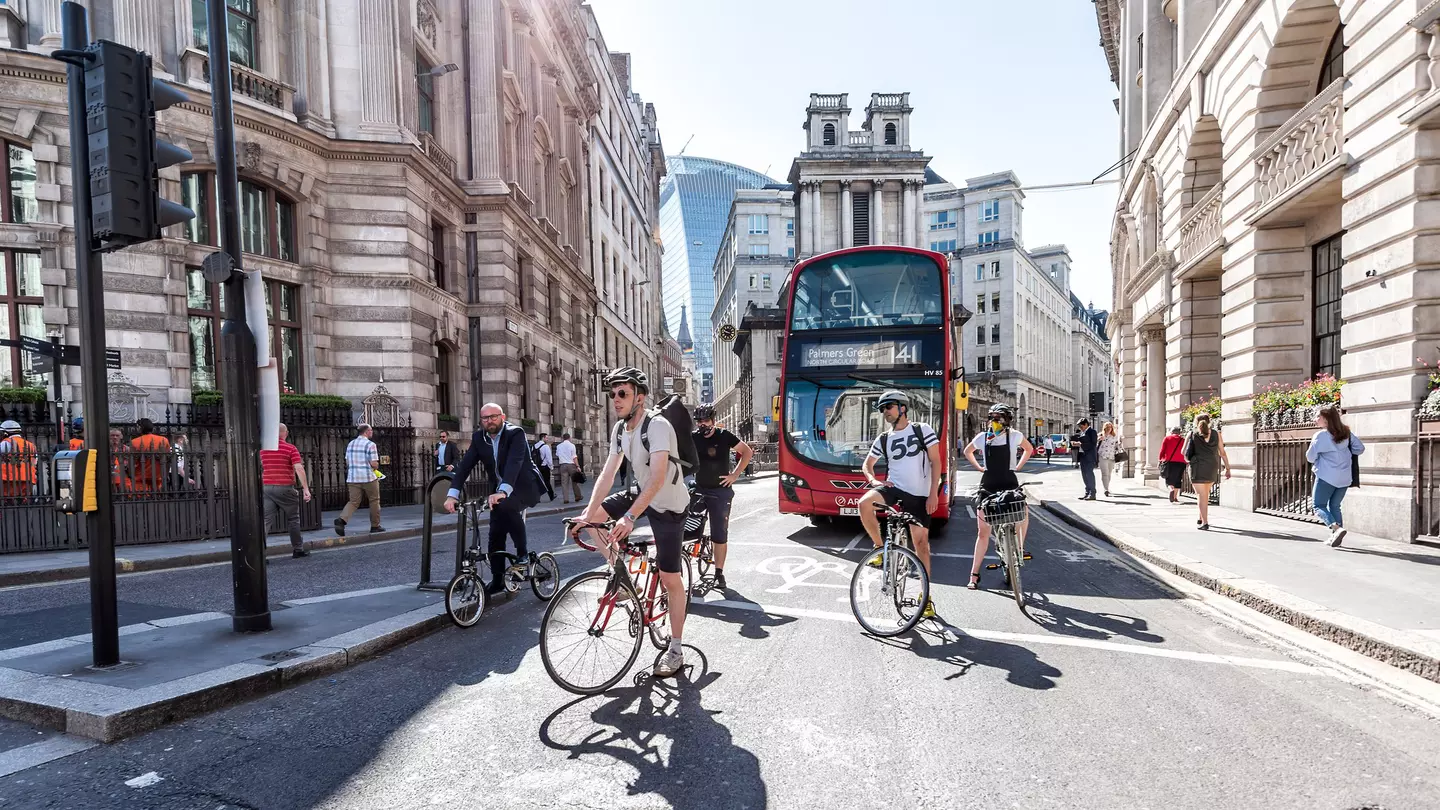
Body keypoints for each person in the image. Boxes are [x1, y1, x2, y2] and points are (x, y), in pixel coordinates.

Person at [573, 367, 692, 678]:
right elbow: (608, 473)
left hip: (668, 504)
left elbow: (658, 477)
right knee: (594, 521)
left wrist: (629, 517)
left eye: (622, 393)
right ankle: (627, 580)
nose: (615, 399)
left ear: (640, 397)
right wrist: (587, 512)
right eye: (612, 394)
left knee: (670, 579)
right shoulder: (619, 430)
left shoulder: (658, 426)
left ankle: (676, 648)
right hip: (643, 493)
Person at [444, 402, 547, 595]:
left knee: (508, 506)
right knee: (495, 534)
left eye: (494, 416)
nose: (490, 421)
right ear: (481, 421)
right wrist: (452, 494)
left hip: (523, 486)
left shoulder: (515, 434)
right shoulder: (479, 438)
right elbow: (465, 466)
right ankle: (498, 579)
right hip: (497, 493)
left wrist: (504, 490)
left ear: (503, 417)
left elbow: (514, 463)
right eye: (485, 418)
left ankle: (522, 555)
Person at [858, 390, 942, 619]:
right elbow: (868, 464)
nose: (885, 411)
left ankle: (925, 597)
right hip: (894, 489)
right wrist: (873, 480)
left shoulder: (922, 430)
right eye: (882, 408)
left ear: (902, 408)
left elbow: (936, 461)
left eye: (889, 407)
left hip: (919, 495)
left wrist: (933, 493)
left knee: (921, 543)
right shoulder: (884, 438)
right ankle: (879, 548)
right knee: (864, 503)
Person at [963, 404, 1035, 590]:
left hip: (1009, 482)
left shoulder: (1015, 436)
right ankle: (974, 574)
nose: (995, 421)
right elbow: (967, 451)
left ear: (1007, 419)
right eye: (993, 417)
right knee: (983, 531)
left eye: (999, 417)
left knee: (1024, 513)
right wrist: (979, 468)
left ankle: (1018, 549)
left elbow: (1029, 449)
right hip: (989, 484)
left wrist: (1018, 466)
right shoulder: (983, 437)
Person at [691, 403, 754, 592]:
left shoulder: (724, 435)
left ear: (713, 420)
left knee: (719, 534)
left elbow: (747, 452)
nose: (702, 424)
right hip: (700, 489)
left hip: (720, 492)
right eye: (699, 421)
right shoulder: (693, 438)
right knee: (686, 527)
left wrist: (734, 475)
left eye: (706, 420)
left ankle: (719, 572)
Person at [1306, 405, 1365, 547]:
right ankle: (1335, 537)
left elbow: (1310, 457)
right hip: (1344, 477)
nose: (1316, 419)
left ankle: (1336, 529)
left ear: (1326, 419)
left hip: (1326, 475)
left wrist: (1323, 455)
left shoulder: (1320, 435)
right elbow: (1360, 448)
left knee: (1318, 505)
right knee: (1335, 505)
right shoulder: (1346, 432)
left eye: (1318, 416)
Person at [260, 423, 313, 558]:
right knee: (293, 519)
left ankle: (260, 554)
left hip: (266, 487)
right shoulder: (290, 448)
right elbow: (299, 468)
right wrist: (306, 489)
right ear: (285, 433)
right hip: (285, 487)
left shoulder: (263, 450)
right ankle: (298, 549)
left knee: (265, 520)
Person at [335, 423, 383, 535]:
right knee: (374, 501)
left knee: (353, 502)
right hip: (368, 477)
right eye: (371, 430)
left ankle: (342, 520)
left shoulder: (351, 444)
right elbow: (374, 463)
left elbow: (347, 461)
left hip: (353, 478)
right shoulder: (371, 445)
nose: (372, 432)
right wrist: (376, 466)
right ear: (366, 432)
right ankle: (375, 526)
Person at [1185, 413, 1230, 530]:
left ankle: (1205, 522)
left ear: (1196, 422)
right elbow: (1222, 452)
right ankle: (1200, 517)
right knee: (1205, 493)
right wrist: (1227, 468)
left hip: (1197, 467)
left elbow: (1183, 452)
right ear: (1209, 421)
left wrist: (1190, 459)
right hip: (1212, 466)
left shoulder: (1192, 434)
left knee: (1200, 494)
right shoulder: (1216, 434)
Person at [128, 418, 172, 494]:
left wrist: (130, 475)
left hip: (141, 477)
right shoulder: (163, 440)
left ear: (140, 428)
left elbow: (132, 462)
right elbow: (167, 459)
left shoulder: (134, 442)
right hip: (158, 476)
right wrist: (166, 474)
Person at [0, 420, 36, 500]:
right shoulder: (30, 445)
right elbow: (35, 461)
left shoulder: (5, 443)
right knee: (23, 503)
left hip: (9, 479)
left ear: (6, 433)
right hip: (28, 478)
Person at [1159, 426, 1187, 502]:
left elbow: (1162, 450)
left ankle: (1171, 489)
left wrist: (1160, 459)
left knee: (1169, 479)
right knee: (1178, 478)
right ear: (1180, 433)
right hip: (1181, 462)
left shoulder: (1167, 438)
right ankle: (1175, 497)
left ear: (1171, 432)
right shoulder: (1183, 440)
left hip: (1169, 461)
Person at [555, 432, 582, 503]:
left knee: (564, 483)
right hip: (571, 465)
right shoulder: (572, 445)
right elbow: (574, 457)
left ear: (563, 438)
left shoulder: (558, 446)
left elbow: (557, 455)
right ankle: (577, 496)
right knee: (574, 481)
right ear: (569, 438)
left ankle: (566, 499)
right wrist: (578, 466)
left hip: (563, 465)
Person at [1097, 421, 1121, 497]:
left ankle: (1107, 487)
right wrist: (1099, 439)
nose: (1108, 429)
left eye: (1110, 427)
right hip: (1102, 456)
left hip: (1111, 457)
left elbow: (1117, 446)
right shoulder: (1100, 435)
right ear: (1104, 428)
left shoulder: (1114, 436)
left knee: (1109, 474)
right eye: (1107, 427)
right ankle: (1106, 489)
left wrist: (1120, 443)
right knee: (1105, 473)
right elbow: (1094, 444)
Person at [1077, 418, 1099, 500]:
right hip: (1083, 456)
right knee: (1084, 475)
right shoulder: (1082, 433)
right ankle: (1087, 492)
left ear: (1086, 424)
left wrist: (1080, 444)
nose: (1080, 428)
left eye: (1081, 426)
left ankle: (1092, 493)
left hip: (1090, 457)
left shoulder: (1092, 432)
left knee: (1089, 474)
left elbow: (1093, 444)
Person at [533, 432, 556, 502]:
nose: (547, 439)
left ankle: (537, 498)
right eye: (546, 438)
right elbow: (549, 458)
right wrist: (551, 467)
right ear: (543, 438)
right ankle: (551, 496)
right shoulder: (546, 447)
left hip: (536, 467)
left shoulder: (534, 446)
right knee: (547, 482)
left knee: (537, 482)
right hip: (545, 467)